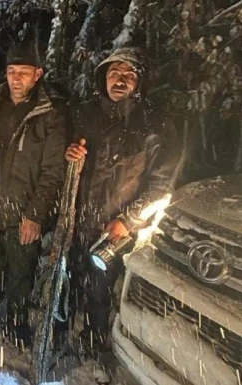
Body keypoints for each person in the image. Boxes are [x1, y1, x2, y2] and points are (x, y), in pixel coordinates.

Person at [65, 47, 180, 378]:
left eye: (129, 75)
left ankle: (102, 351)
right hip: (81, 220)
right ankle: (74, 336)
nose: (120, 80)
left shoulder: (155, 126)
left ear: (139, 82)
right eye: (114, 73)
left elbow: (162, 186)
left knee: (106, 293)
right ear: (103, 79)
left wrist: (127, 221)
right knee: (76, 281)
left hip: (120, 231)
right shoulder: (88, 117)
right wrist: (70, 156)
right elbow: (72, 163)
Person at [0, 39, 68, 347]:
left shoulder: (50, 114)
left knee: (20, 275)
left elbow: (53, 171)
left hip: (24, 210)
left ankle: (16, 330)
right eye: (11, 71)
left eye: (24, 72)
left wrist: (35, 215)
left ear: (38, 74)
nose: (16, 79)